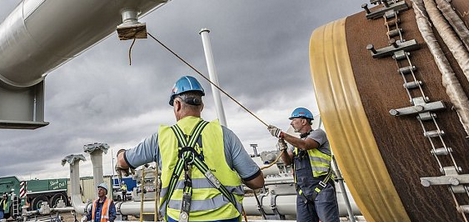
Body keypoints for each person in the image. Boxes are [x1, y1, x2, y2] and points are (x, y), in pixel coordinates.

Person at [116, 76, 264, 222]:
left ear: (177, 104)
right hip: (224, 217)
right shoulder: (224, 135)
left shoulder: (160, 139)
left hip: (178, 217)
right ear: (201, 106)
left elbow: (124, 161)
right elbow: (257, 182)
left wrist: (120, 153)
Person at [267, 107, 339, 222]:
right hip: (302, 191)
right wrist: (283, 148)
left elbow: (305, 145)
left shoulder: (319, 134)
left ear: (304, 121)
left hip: (321, 187)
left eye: (294, 120)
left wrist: (282, 134)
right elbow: (287, 161)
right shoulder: (295, 143)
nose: (291, 123)